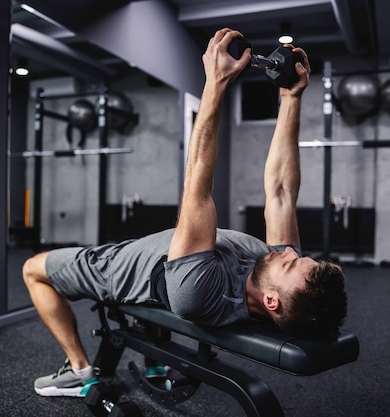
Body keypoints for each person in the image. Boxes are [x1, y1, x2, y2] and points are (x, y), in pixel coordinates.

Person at [22, 28, 347, 398]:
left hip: (115, 267)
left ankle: (78, 370)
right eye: (297, 257)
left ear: (272, 302)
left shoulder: (200, 292)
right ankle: (152, 358)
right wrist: (291, 100)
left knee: (33, 269)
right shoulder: (281, 276)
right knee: (186, 246)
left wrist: (216, 84)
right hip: (165, 257)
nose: (289, 252)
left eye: (289, 264)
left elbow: (197, 185)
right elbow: (281, 193)